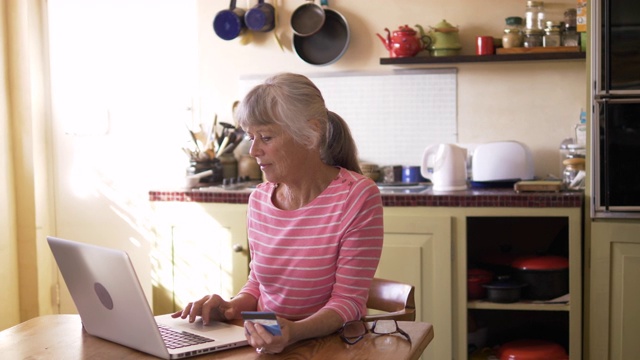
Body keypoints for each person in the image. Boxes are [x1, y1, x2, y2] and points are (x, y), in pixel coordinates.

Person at [172, 72, 384, 354]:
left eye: (266, 137)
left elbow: (349, 301)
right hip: (269, 345)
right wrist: (231, 306)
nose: (253, 150)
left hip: (332, 347)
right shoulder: (260, 199)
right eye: (251, 137)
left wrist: (295, 331)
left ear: (311, 132)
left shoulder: (356, 196)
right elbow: (258, 283)